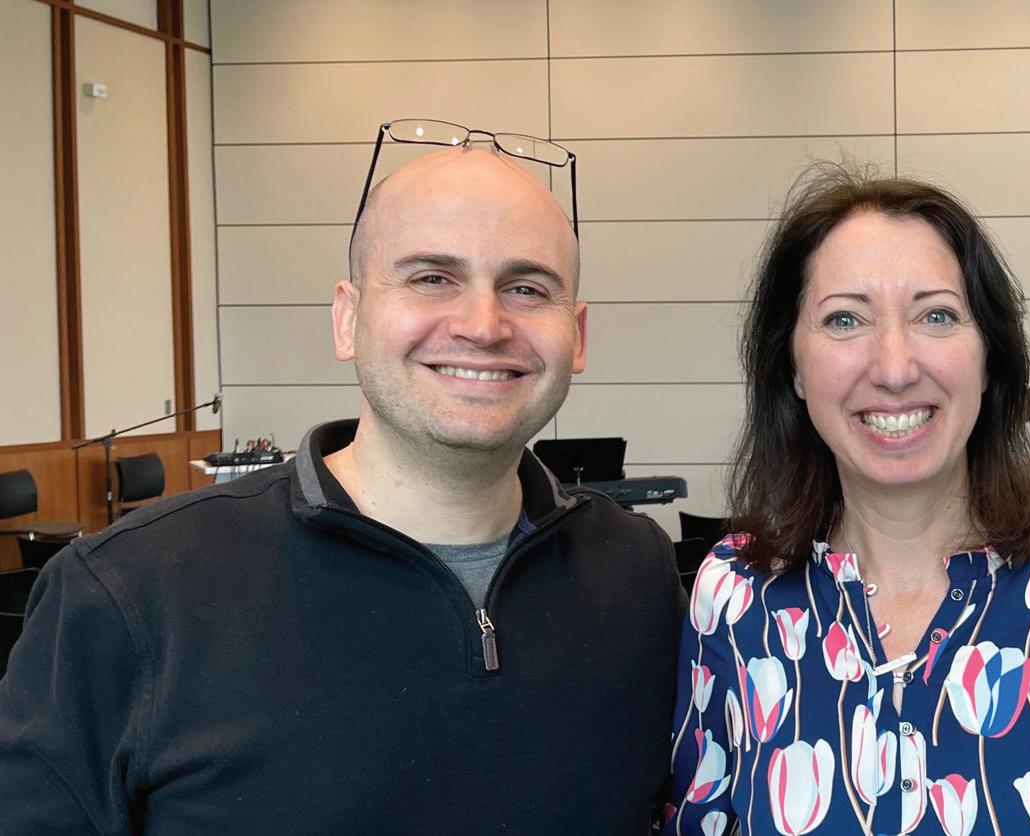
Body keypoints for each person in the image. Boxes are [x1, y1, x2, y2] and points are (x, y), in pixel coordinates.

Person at [0, 138, 686, 832]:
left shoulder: (637, 573)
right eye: (432, 278)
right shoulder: (127, 592)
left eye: (527, 289)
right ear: (348, 319)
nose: (483, 326)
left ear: (577, 335)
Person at [669, 168, 1030, 836]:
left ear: (990, 356)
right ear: (792, 366)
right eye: (844, 319)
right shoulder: (735, 599)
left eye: (936, 315)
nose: (894, 368)